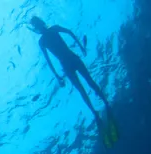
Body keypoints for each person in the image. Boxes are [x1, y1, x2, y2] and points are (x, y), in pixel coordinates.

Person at [30, 16, 118, 147]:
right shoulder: (47, 36)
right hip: (69, 62)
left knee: (87, 85)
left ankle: (100, 107)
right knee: (85, 86)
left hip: (69, 61)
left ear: (38, 25)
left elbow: (68, 34)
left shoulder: (49, 33)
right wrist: (57, 75)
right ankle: (98, 109)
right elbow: (68, 35)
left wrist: (81, 47)